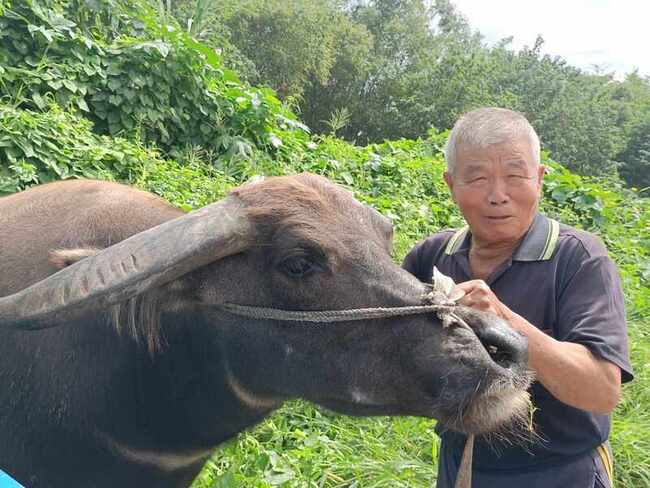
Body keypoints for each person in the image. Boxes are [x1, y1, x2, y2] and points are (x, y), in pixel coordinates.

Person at [402, 107, 633, 488]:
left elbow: (601, 391)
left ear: (539, 179)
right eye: (476, 178)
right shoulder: (432, 257)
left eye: (515, 176)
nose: (497, 196)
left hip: (561, 472)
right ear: (450, 184)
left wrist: (502, 320)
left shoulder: (577, 258)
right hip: (461, 467)